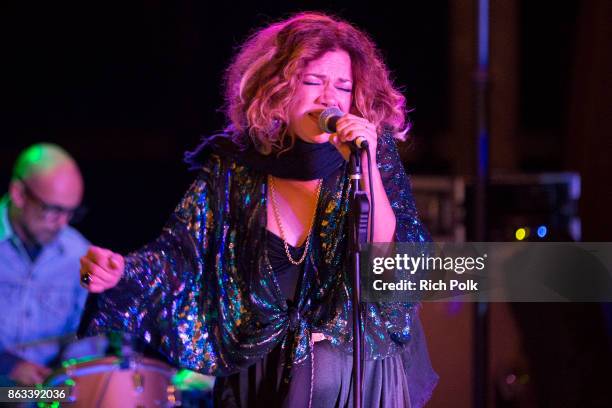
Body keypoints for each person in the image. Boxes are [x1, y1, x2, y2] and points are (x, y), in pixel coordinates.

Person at [79, 12, 438, 407]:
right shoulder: (238, 168)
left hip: (352, 371)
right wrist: (122, 271)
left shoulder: (368, 157)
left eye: (343, 86)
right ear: (279, 88)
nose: (329, 98)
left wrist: (364, 163)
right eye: (313, 81)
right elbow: (180, 254)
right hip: (260, 370)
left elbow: (381, 256)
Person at [0, 143, 89, 386]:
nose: (62, 223)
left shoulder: (78, 255)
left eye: (71, 213)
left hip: (43, 393)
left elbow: (86, 338)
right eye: (53, 210)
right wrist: (8, 366)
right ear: (19, 194)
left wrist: (65, 376)